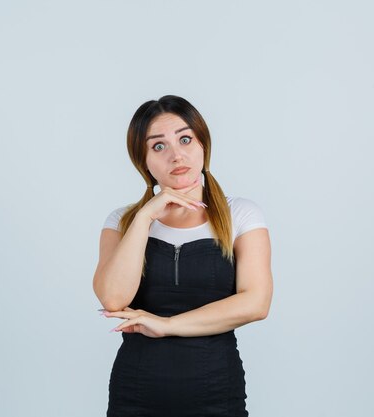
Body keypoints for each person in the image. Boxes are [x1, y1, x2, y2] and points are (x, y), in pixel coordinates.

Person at [92, 95, 273, 417]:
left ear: (203, 145)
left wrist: (167, 325)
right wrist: (145, 217)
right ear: (143, 161)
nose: (176, 155)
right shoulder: (122, 221)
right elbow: (113, 299)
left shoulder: (241, 214)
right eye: (158, 146)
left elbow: (256, 303)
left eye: (185, 139)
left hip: (217, 391)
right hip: (135, 393)